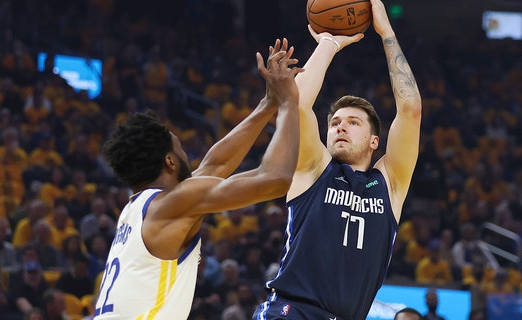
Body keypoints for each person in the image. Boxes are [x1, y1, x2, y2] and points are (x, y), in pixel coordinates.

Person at [93, 39, 302, 319]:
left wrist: (268, 104)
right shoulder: (171, 205)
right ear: (169, 161)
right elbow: (275, 178)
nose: (189, 157)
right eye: (181, 149)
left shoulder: (137, 209)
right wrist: (289, 102)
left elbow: (214, 166)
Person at [253, 1, 422, 319]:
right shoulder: (314, 169)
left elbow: (411, 110)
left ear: (375, 142)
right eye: (334, 122)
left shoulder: (389, 184)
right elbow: (297, 105)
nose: (340, 126)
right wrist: (329, 43)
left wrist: (386, 33)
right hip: (292, 311)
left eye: (353, 122)